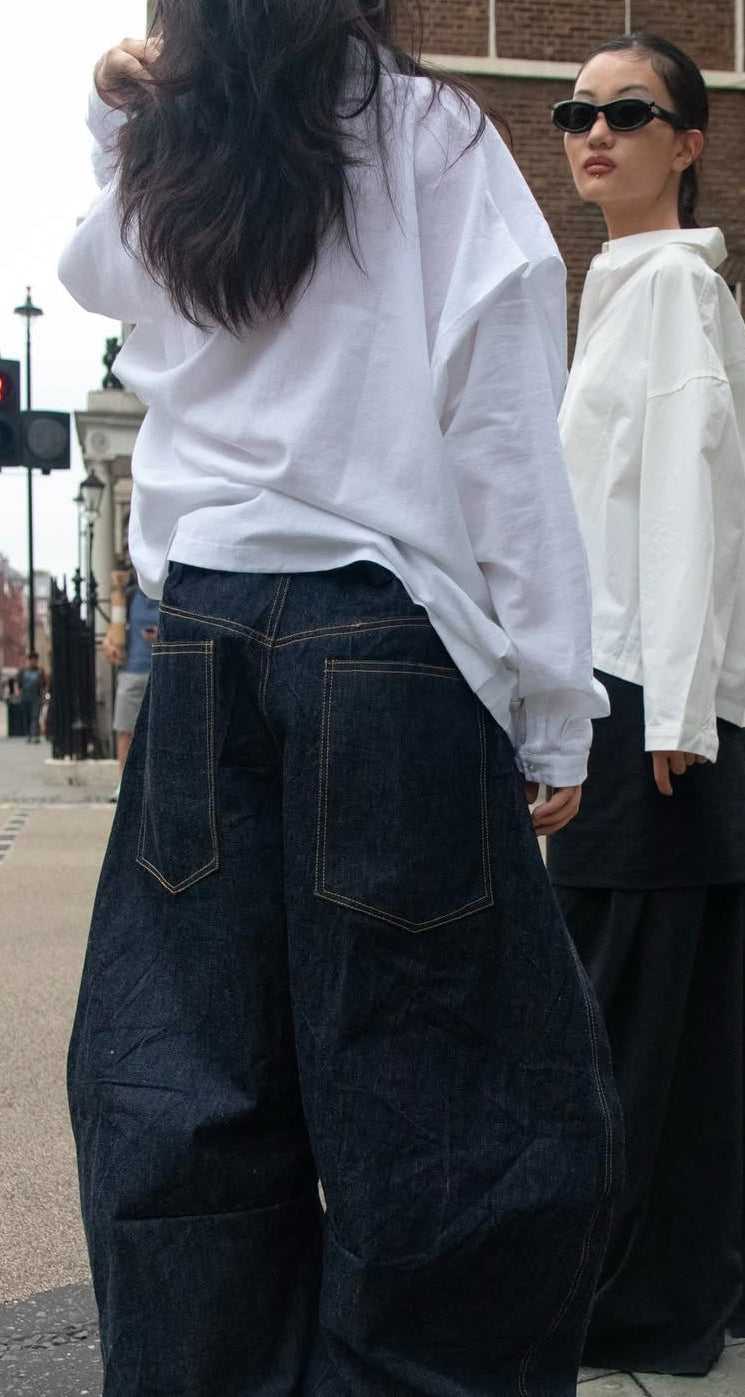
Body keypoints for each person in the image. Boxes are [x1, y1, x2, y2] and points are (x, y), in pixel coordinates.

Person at [58, 6, 622, 1394]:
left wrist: (125, 107)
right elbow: (500, 427)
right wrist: (553, 699)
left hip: (199, 643)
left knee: (188, 1097)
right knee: (446, 1104)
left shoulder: (166, 146)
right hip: (385, 640)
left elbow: (100, 277)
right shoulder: (429, 135)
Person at [547, 33, 745, 1378]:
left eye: (628, 114)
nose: (595, 134)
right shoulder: (631, 281)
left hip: (646, 699)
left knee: (620, 1014)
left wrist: (672, 718)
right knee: (697, 1019)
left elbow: (697, 502)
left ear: (688, 144)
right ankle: (727, 1280)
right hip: (653, 691)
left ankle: (638, 1304)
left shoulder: (666, 293)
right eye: (576, 113)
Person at [103, 578, 160, 799]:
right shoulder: (129, 596)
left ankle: (154, 784)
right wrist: (110, 645)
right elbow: (113, 633)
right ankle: (125, 785)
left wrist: (162, 635)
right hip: (132, 669)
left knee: (159, 730)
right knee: (126, 728)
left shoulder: (171, 590)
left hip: (161, 666)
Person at [16, 651, 45, 743]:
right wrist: (17, 693)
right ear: (29, 660)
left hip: (36, 697)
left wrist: (44, 696)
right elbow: (17, 683)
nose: (34, 662)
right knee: (27, 717)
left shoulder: (40, 671)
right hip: (25, 697)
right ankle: (28, 734)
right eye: (32, 660)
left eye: (35, 660)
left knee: (35, 717)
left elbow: (43, 685)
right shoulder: (23, 671)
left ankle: (35, 735)